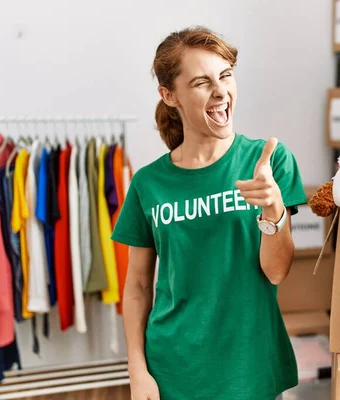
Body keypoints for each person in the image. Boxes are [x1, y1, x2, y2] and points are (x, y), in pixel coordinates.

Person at [111, 26, 308, 400]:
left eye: (226, 76)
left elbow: (277, 270)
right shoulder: (148, 184)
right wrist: (137, 370)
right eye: (202, 82)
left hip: (249, 367)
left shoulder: (268, 162)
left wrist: (273, 208)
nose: (220, 92)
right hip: (172, 369)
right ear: (169, 96)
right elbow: (137, 287)